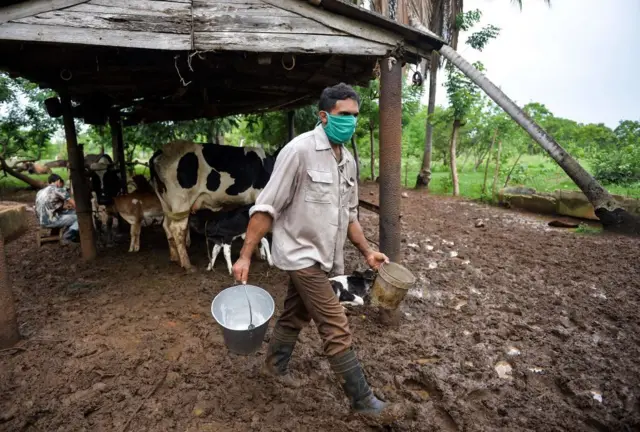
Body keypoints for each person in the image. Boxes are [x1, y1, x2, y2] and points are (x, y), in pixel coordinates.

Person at [233, 83, 395, 417]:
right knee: (336, 323)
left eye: (354, 116)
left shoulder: (347, 161)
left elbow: (349, 216)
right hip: (299, 255)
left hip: (323, 257)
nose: (350, 122)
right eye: (342, 115)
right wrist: (245, 254)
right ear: (323, 116)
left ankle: (274, 366)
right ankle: (363, 402)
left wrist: (367, 252)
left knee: (296, 313)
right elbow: (266, 208)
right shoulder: (299, 151)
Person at [35, 174, 79, 244]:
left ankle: (56, 234)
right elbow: (75, 204)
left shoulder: (40, 192)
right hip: (51, 221)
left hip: (41, 220)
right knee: (79, 218)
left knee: (72, 212)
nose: (62, 187)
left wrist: (64, 208)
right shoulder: (58, 189)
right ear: (58, 181)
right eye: (62, 185)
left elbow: (47, 206)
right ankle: (66, 237)